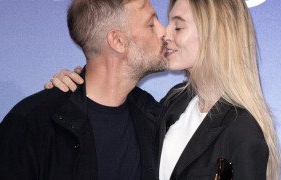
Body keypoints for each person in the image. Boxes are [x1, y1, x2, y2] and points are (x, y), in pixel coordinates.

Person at [45, 0, 280, 179]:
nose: (165, 34)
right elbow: (110, 104)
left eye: (178, 27)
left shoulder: (243, 132)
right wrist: (78, 83)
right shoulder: (171, 103)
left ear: (213, 35)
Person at [0, 0, 169, 179]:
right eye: (151, 24)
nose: (164, 32)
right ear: (117, 41)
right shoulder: (31, 123)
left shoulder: (155, 116)